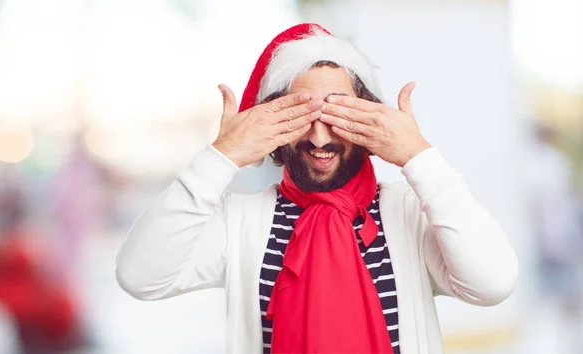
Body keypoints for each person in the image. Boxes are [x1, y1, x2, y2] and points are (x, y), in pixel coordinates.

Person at [116, 23, 518, 353]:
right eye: (301, 114)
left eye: (338, 112)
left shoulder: (411, 213)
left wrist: (419, 157)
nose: (320, 137)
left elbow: (492, 283)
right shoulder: (239, 221)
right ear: (273, 124)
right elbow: (141, 277)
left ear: (368, 119)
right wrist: (221, 157)